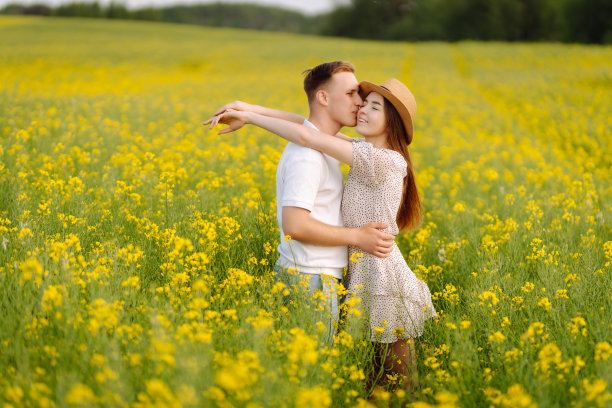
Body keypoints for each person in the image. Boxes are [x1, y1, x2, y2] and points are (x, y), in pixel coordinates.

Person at [206, 77, 437, 392]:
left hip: (383, 278)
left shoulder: (383, 161)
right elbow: (306, 125)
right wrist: (250, 106)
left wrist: (250, 119)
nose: (362, 111)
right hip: (364, 270)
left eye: (374, 107)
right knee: (375, 384)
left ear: (391, 122)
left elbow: (306, 136)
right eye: (363, 103)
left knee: (400, 385)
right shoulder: (362, 149)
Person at [205, 61, 395, 342]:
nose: (359, 103)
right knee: (312, 371)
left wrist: (250, 110)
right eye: (352, 93)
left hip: (313, 274)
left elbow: (302, 124)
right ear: (323, 98)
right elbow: (295, 224)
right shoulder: (308, 155)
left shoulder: (324, 144)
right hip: (310, 277)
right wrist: (357, 236)